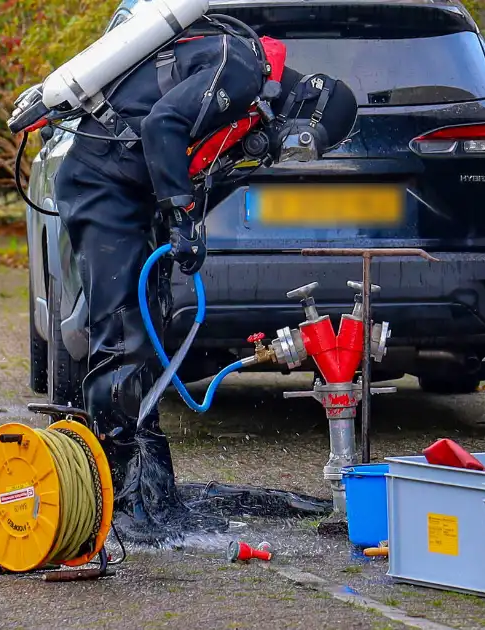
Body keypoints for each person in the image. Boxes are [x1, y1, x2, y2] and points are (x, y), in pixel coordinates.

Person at [50, 25, 358, 543]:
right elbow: (160, 128)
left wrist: (184, 224)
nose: (293, 150)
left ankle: (147, 486)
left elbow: (201, 171)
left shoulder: (252, 119)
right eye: (305, 140)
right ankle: (115, 497)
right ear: (307, 105)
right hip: (100, 183)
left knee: (147, 342)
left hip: (134, 193)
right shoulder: (238, 69)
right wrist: (183, 215)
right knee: (123, 338)